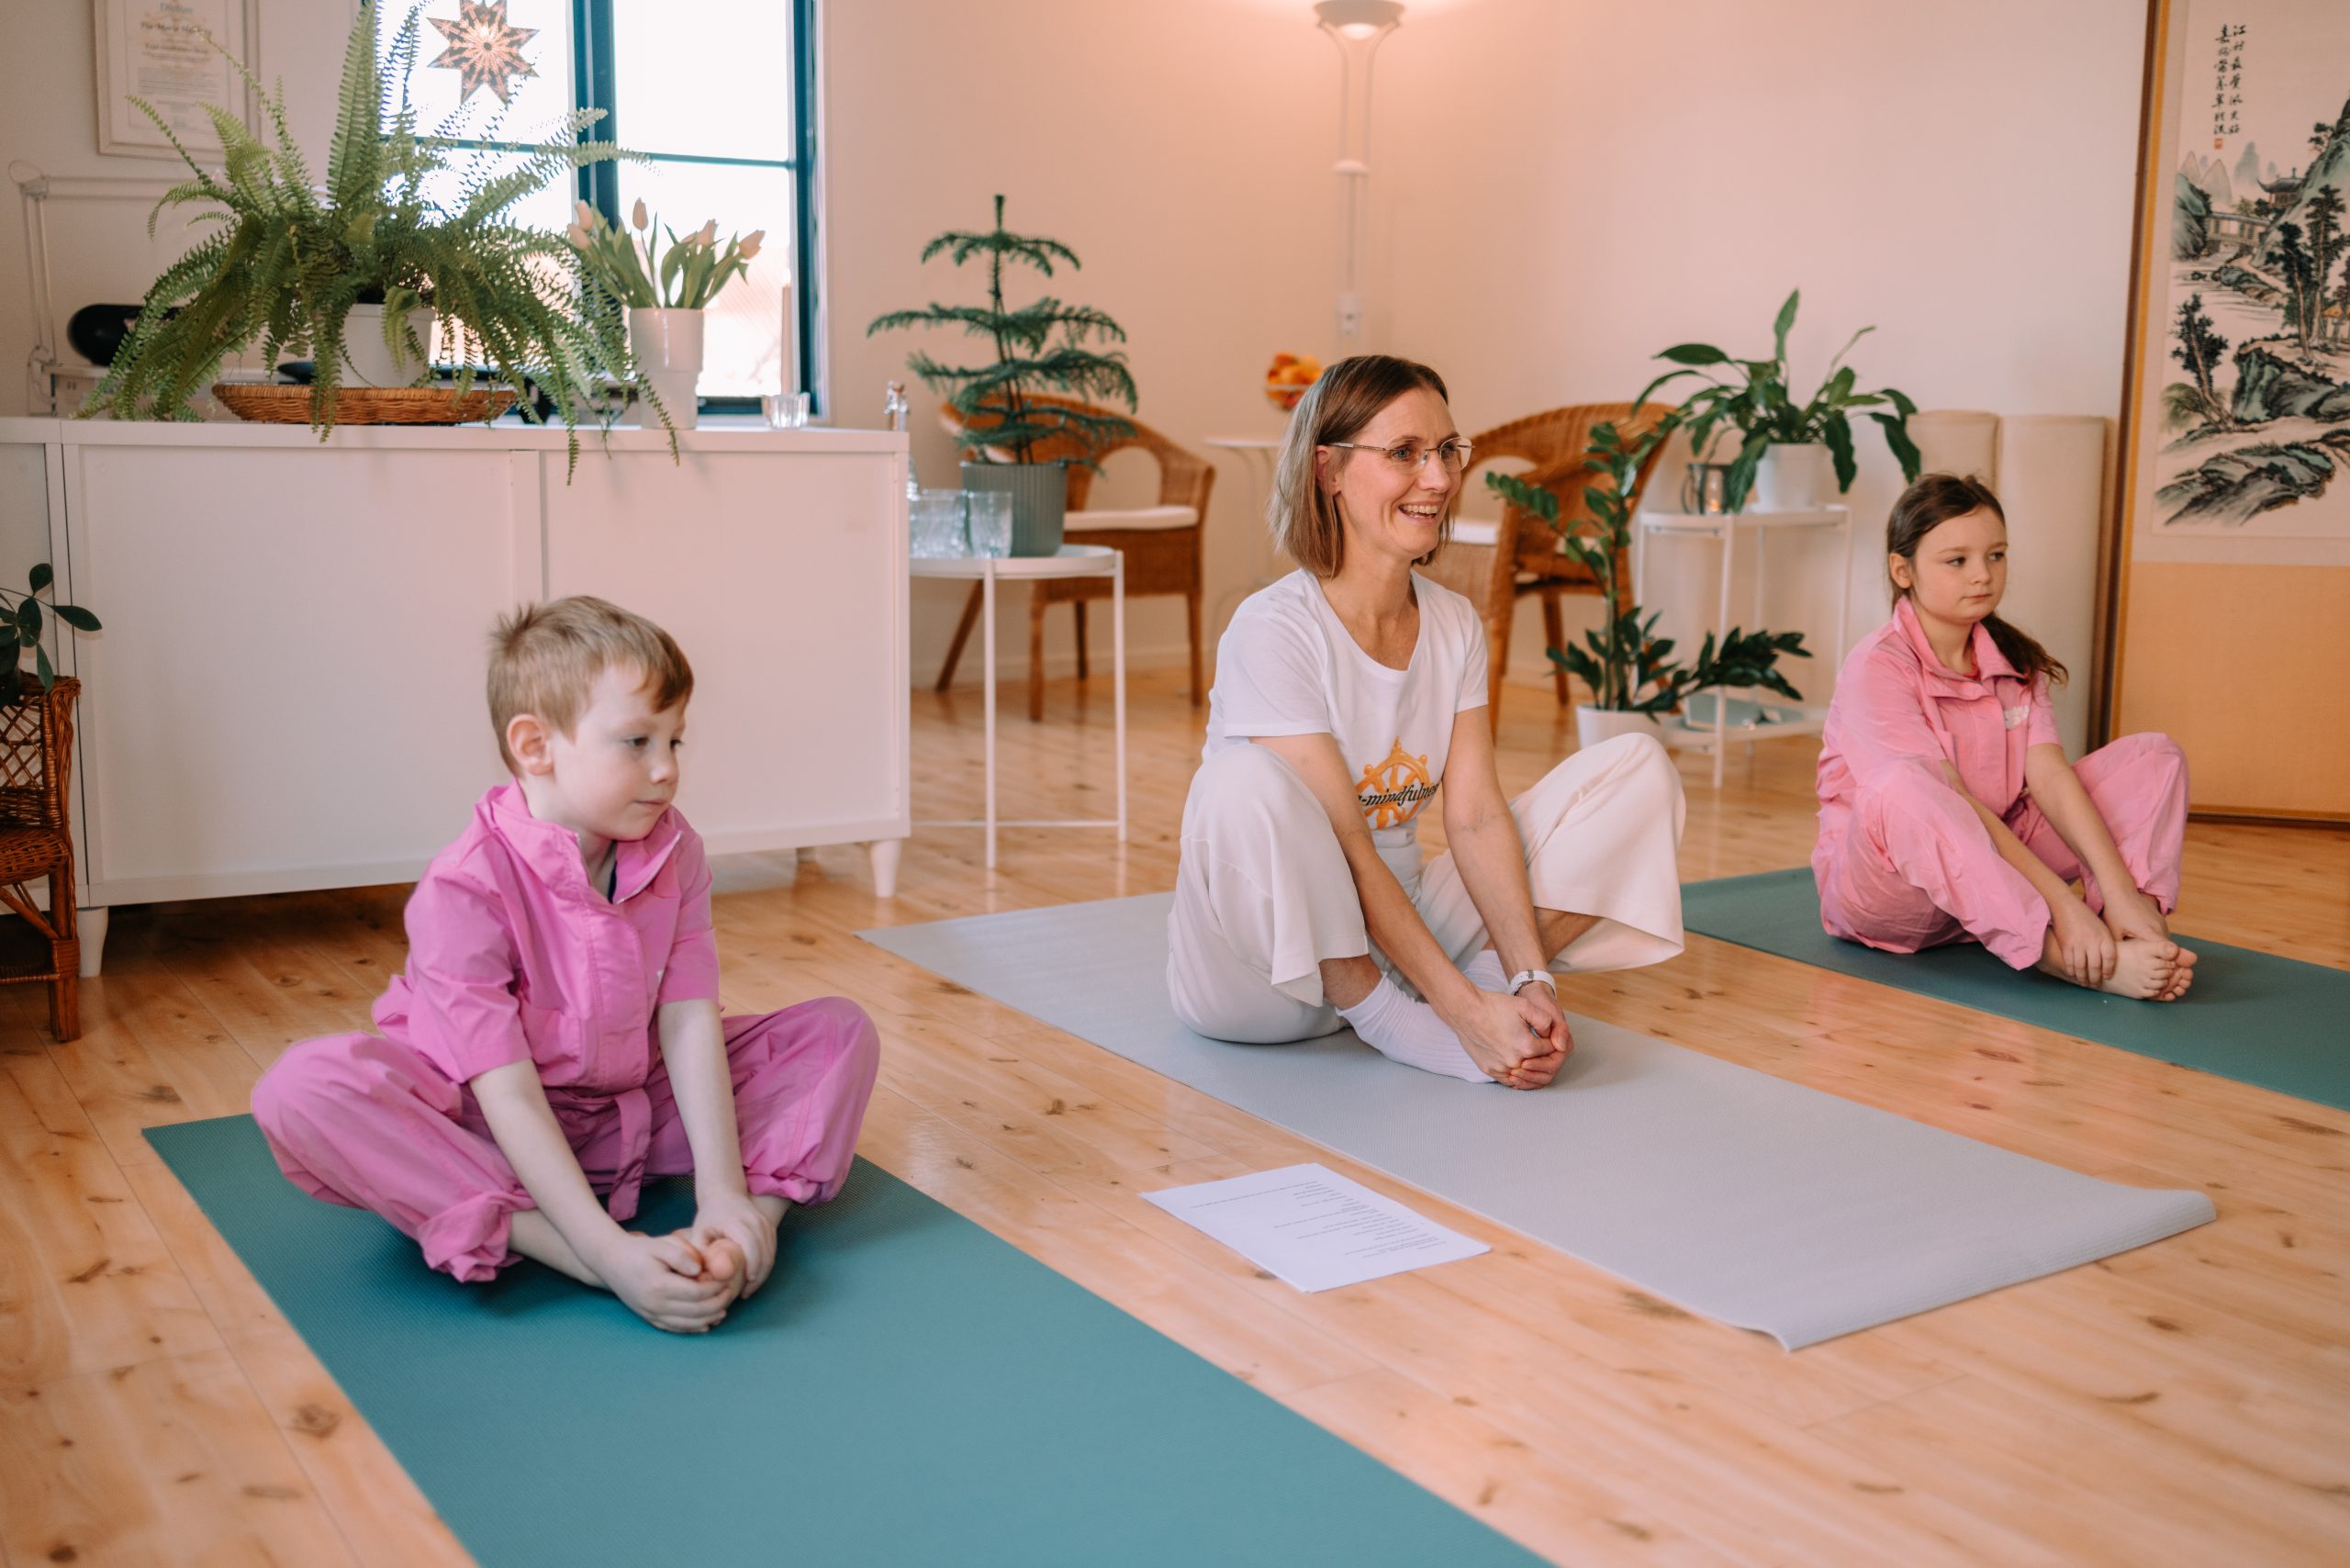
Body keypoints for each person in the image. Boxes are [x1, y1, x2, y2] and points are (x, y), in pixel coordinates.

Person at [252, 597, 881, 1332]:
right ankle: (561, 1249)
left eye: (676, 741)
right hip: (489, 1129)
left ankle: (750, 1231)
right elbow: (508, 1093)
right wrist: (608, 1255)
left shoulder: (678, 852)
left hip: (629, 1118)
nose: (667, 769)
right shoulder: (463, 886)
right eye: (637, 742)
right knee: (301, 1089)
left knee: (839, 1032)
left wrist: (725, 1198)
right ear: (535, 746)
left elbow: (687, 1022)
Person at [1168, 355, 1687, 1089]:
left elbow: (1473, 819)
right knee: (1240, 782)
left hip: (1402, 938)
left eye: (1447, 450)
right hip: (1266, 982)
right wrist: (1460, 1016)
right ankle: (1398, 1017)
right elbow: (1347, 843)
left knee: (1638, 768)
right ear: (1330, 471)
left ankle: (1462, 988)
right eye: (1405, 454)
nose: (1439, 478)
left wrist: (1530, 974)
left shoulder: (1453, 624)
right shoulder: (1273, 627)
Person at [1812, 473, 2195, 1001]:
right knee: (1902, 784)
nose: (1983, 576)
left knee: (2155, 756)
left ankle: (2135, 932)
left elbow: (2051, 778)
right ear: (1903, 570)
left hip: (1995, 875)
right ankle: (2065, 958)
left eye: (1996, 555)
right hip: (1896, 896)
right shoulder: (1875, 667)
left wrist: (2119, 892)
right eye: (1957, 560)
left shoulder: (2014, 660)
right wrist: (2066, 912)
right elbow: (1952, 807)